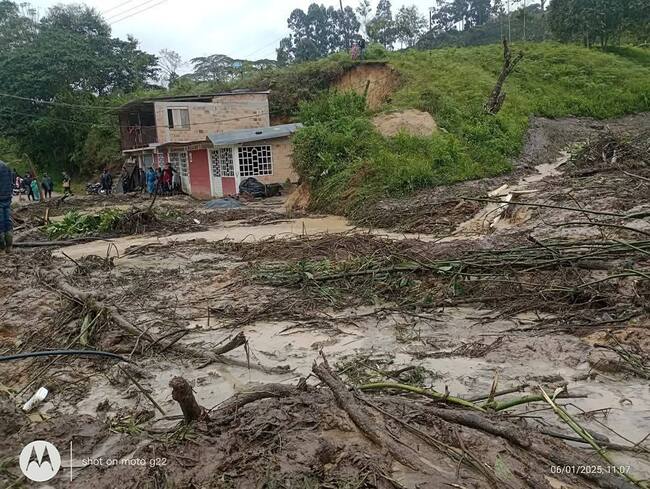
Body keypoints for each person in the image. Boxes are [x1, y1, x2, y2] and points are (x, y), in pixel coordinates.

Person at [0, 160, 13, 253]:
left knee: (0, 222)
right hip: (7, 197)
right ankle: (9, 245)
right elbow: (11, 182)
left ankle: (2, 248)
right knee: (7, 220)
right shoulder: (6, 166)